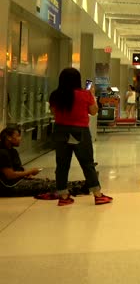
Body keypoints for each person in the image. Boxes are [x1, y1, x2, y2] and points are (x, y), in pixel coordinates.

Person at [49, 67, 113, 206]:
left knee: (62, 165)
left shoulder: (55, 95)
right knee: (87, 163)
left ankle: (63, 196)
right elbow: (94, 112)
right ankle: (98, 195)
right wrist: (92, 96)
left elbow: (53, 112)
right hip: (80, 131)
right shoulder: (85, 94)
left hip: (60, 131)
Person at [0, 127, 87, 198]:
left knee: (49, 182)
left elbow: (18, 169)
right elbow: (10, 175)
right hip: (11, 186)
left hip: (19, 181)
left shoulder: (13, 151)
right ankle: (81, 187)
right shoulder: (2, 153)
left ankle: (83, 183)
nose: (20, 138)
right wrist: (29, 172)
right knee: (47, 186)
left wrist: (27, 175)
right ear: (9, 137)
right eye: (18, 136)